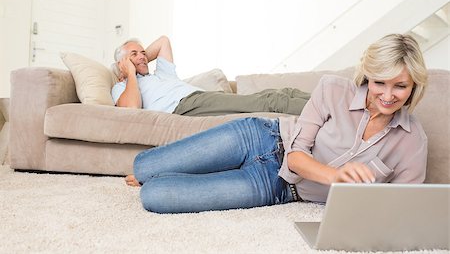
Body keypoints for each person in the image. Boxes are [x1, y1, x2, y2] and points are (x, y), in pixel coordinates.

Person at [127, 33, 428, 214]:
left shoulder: (412, 142)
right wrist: (337, 176)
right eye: (379, 83)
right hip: (263, 138)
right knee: (144, 168)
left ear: (414, 86)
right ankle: (154, 171)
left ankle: (160, 177)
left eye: (399, 86)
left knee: (155, 196)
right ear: (367, 75)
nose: (387, 96)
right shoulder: (333, 90)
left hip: (278, 187)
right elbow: (296, 157)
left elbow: (400, 210)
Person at [111, 35, 310, 116]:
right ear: (122, 64)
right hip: (185, 107)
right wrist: (129, 71)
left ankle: (331, 103)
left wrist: (139, 59)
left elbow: (163, 41)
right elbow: (132, 108)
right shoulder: (121, 88)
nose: (143, 56)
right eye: (134, 54)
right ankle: (333, 111)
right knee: (271, 101)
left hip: (200, 98)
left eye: (144, 53)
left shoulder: (160, 74)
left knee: (283, 92)